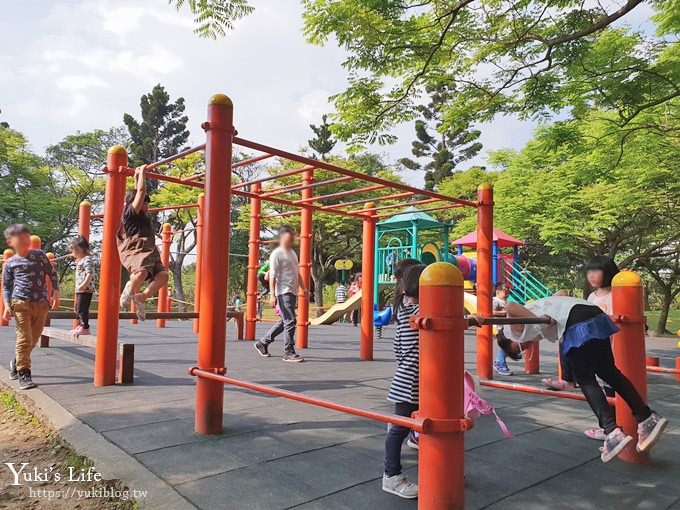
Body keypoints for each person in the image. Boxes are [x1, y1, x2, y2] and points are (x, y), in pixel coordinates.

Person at [503, 295, 667, 462]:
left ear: (509, 339)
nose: (524, 348)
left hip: (576, 323)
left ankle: (612, 431)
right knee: (609, 372)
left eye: (518, 348)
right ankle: (646, 417)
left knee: (586, 379)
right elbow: (562, 292)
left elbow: (509, 305)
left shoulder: (513, 331)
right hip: (593, 315)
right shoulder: (536, 308)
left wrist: (542, 320)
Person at [383, 264, 426, 499]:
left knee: (424, 426)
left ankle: (439, 467)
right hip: (411, 382)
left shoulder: (405, 309)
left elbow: (398, 349)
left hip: (410, 377)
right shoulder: (419, 310)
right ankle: (391, 476)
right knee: (398, 429)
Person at [2, 224, 60, 390]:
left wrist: (55, 291)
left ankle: (16, 361)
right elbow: (6, 286)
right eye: (20, 238)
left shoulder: (40, 255)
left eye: (27, 237)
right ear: (10, 242)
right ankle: (24, 373)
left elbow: (52, 272)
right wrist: (7, 306)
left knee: (33, 340)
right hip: (21, 303)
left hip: (41, 303)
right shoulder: (10, 263)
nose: (25, 241)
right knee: (24, 339)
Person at [117, 166, 169, 321]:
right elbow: (139, 192)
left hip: (149, 251)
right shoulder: (130, 212)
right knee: (142, 273)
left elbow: (136, 191)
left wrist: (137, 176)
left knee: (163, 276)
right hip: (136, 248)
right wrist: (143, 175)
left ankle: (141, 297)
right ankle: (128, 288)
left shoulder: (140, 214)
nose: (146, 206)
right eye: (144, 203)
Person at [254, 226, 308, 362]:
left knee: (284, 321)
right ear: (281, 238)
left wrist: (304, 288)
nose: (291, 240)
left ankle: (263, 342)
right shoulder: (276, 254)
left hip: (292, 290)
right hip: (283, 291)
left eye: (292, 237)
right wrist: (272, 295)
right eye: (288, 238)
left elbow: (297, 272)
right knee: (290, 321)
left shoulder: (293, 253)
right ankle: (288, 352)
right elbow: (272, 275)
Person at [69, 236, 95, 336]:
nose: (72, 253)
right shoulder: (81, 260)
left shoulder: (87, 259)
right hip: (80, 289)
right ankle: (80, 325)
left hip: (86, 289)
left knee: (82, 308)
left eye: (73, 250)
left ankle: (85, 327)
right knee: (77, 308)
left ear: (79, 249)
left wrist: (84, 285)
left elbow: (90, 273)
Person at [491, 282, 517, 376]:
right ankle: (499, 362)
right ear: (498, 292)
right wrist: (506, 312)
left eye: (508, 292)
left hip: (508, 327)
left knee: (509, 345)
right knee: (506, 345)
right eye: (505, 292)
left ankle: (499, 361)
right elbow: (492, 312)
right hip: (501, 328)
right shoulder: (495, 301)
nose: (507, 294)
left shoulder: (507, 302)